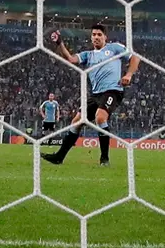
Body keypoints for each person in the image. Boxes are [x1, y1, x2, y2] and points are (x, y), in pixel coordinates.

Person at [41, 24, 140, 167]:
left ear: (105, 37)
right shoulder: (88, 55)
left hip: (113, 90)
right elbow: (70, 59)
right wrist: (59, 42)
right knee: (77, 121)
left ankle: (104, 159)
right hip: (96, 94)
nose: (96, 37)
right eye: (94, 35)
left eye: (99, 34)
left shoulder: (115, 48)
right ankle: (59, 157)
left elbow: (135, 58)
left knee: (100, 117)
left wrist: (129, 74)